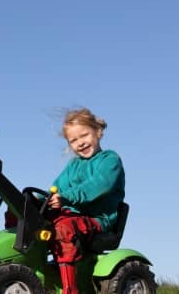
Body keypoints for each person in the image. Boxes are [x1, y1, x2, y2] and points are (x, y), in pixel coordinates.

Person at [48, 107, 125, 294]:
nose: (80, 143)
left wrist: (66, 198)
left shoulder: (109, 160)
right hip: (72, 217)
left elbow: (97, 186)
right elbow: (57, 187)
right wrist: (39, 200)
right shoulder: (73, 166)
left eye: (84, 135)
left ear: (97, 132)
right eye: (74, 140)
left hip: (97, 220)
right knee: (27, 218)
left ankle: (70, 289)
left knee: (64, 229)